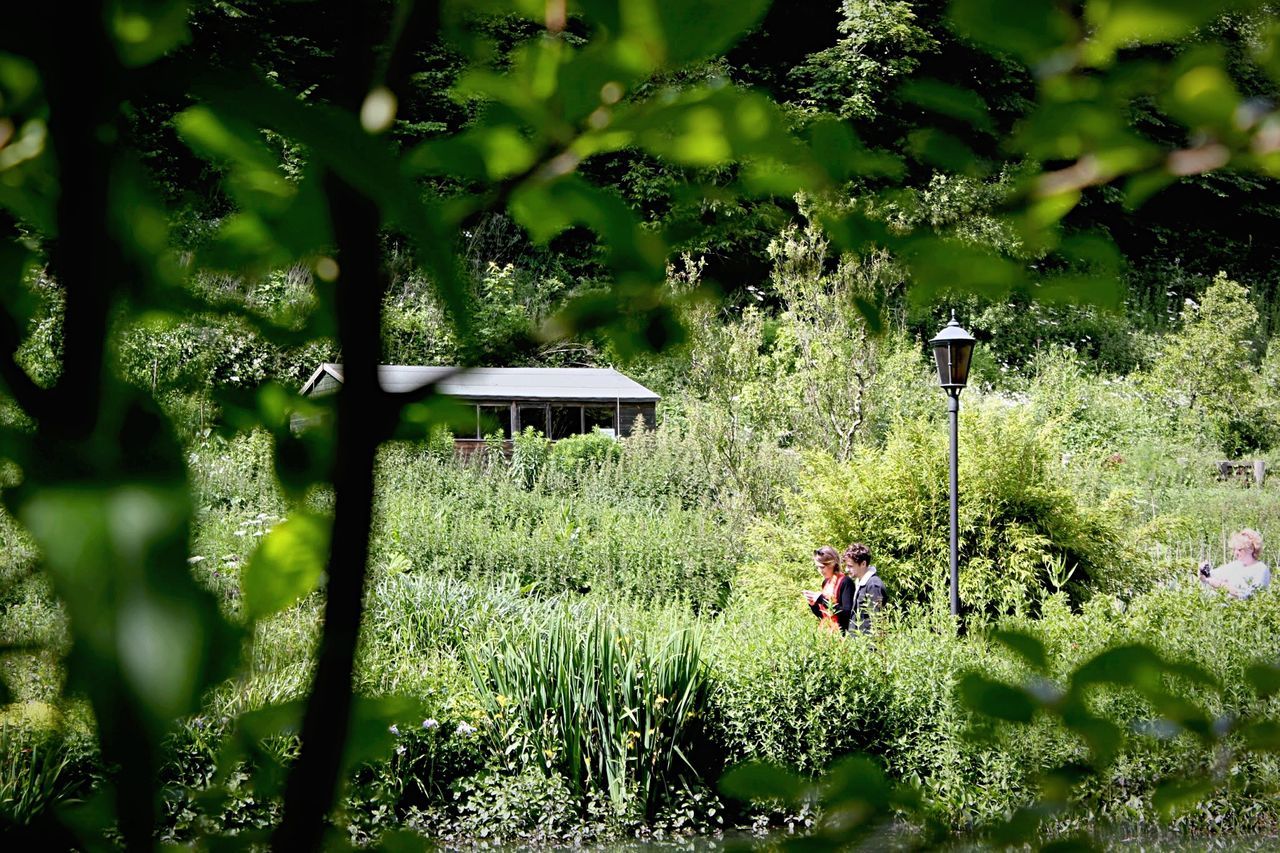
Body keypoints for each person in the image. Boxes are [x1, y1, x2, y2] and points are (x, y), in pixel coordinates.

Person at [1198, 529, 1271, 600]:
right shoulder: (1235, 566)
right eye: (1234, 549)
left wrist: (1222, 585)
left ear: (1251, 549)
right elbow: (1212, 575)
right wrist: (1203, 570)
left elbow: (1251, 596)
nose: (1236, 553)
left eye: (1240, 549)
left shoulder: (1261, 569)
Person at [803, 546, 854, 633]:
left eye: (822, 567)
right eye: (817, 567)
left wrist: (822, 600)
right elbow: (822, 615)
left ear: (832, 564)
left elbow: (847, 614)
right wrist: (813, 604)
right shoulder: (826, 582)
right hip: (827, 631)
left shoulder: (845, 582)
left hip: (842, 633)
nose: (820, 571)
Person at [843, 542, 885, 633]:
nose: (846, 569)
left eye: (850, 566)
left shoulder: (874, 586)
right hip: (858, 643)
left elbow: (877, 621)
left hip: (868, 645)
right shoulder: (860, 582)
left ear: (863, 564)